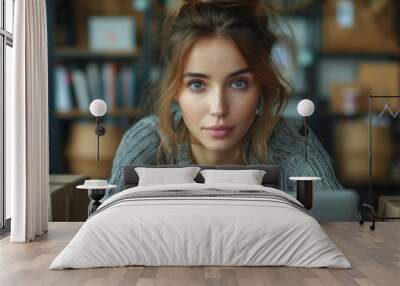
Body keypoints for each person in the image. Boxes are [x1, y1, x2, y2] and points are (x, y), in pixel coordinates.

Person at [107, 0, 342, 198]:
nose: (218, 108)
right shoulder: (147, 142)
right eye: (197, 84)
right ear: (176, 90)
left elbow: (343, 230)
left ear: (261, 86)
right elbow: (102, 237)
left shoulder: (293, 143)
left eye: (238, 83)